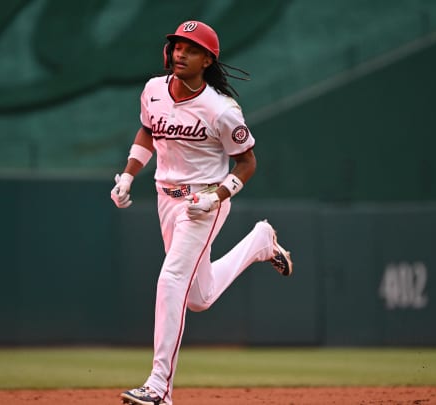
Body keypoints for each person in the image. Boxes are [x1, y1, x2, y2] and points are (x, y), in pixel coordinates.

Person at [112, 20, 293, 405]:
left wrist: (220, 193)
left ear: (207, 59)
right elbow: (148, 131)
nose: (180, 53)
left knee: (172, 279)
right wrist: (128, 175)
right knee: (198, 296)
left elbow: (247, 163)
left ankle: (159, 387)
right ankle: (260, 242)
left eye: (190, 49)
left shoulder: (221, 109)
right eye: (177, 45)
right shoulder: (153, 90)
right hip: (165, 196)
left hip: (201, 203)